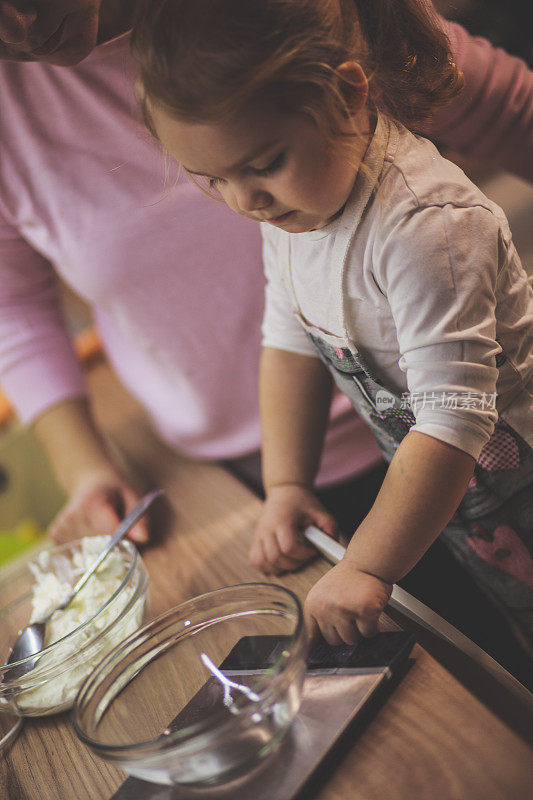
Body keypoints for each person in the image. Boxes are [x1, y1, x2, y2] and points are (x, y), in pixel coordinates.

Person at [1, 1, 533, 676]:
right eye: (211, 179)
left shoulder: (425, 231)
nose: (241, 200)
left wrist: (367, 565)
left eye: (262, 164)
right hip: (451, 497)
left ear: (347, 91)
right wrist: (287, 483)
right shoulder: (291, 211)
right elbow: (287, 336)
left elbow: (453, 419)